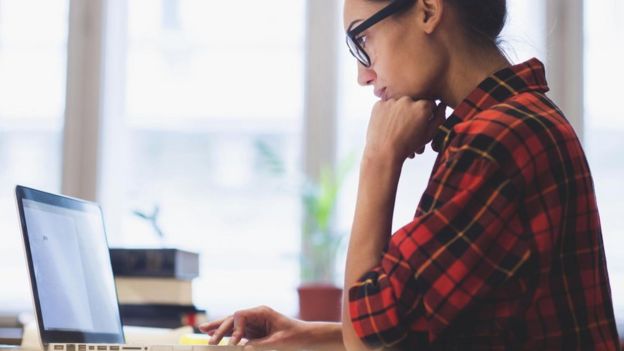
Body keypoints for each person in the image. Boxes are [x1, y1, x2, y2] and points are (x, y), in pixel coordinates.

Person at [200, 0, 621, 349]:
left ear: (426, 10)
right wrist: (308, 335)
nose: (363, 75)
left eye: (362, 40)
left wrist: (379, 160)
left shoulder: (495, 143)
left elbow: (372, 344)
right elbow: (429, 330)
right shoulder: (515, 120)